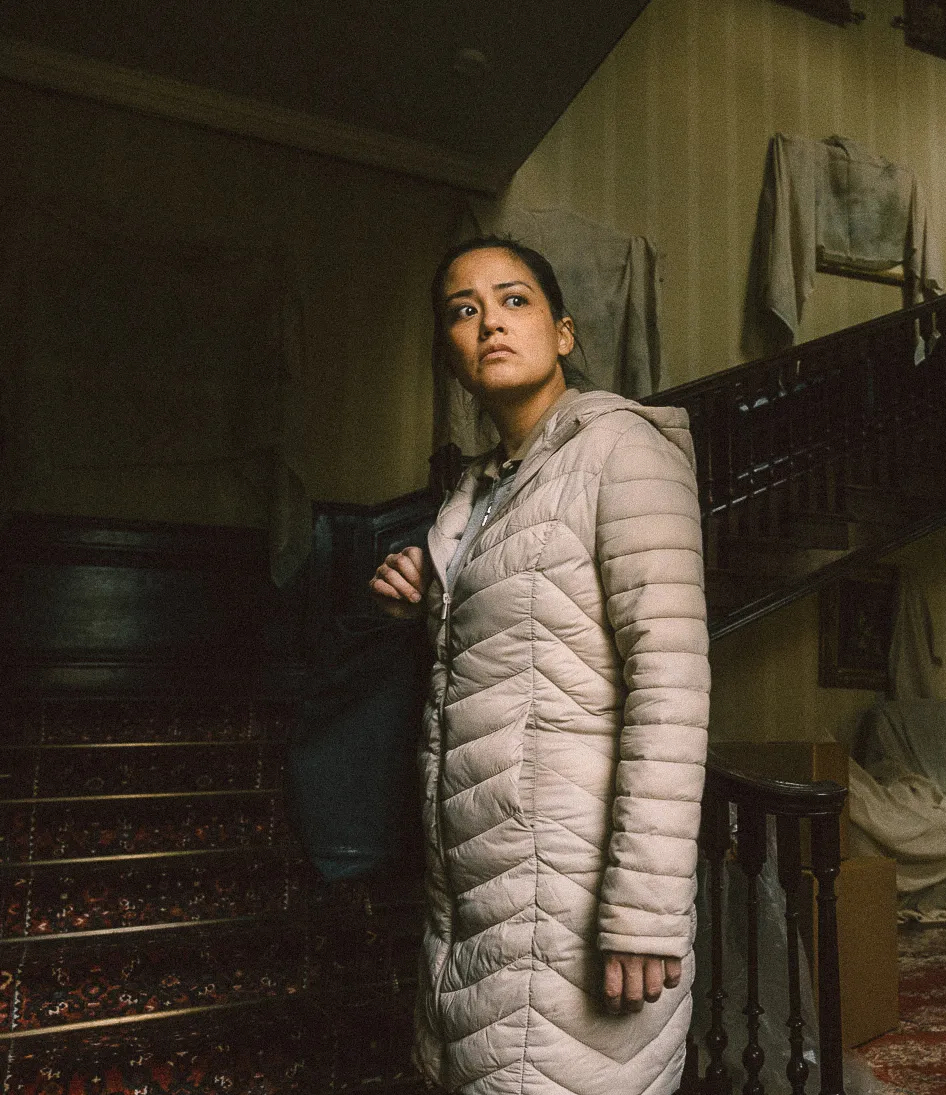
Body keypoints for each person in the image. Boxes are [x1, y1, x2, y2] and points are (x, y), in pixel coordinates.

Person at [370, 237, 709, 1094]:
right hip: (479, 896)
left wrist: (645, 910)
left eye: (513, 299)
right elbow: (524, 653)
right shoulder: (478, 493)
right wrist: (429, 593)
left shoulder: (623, 453)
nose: (489, 321)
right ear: (451, 353)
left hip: (575, 899)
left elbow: (670, 687)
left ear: (563, 333)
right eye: (464, 310)